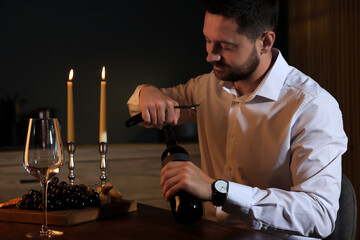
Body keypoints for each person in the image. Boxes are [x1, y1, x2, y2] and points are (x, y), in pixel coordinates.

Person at [127, 0, 348, 239]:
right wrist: (147, 91)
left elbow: (320, 215)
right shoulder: (206, 87)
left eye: (225, 46)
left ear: (265, 42)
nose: (210, 55)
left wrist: (218, 191)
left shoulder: (313, 106)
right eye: (207, 40)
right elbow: (140, 110)